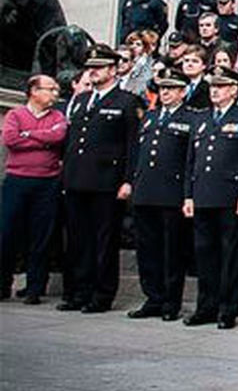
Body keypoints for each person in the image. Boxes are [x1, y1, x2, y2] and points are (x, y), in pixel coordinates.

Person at [59, 45, 144, 313]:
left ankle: (102, 293)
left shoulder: (126, 102)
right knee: (77, 239)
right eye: (90, 68)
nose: (93, 72)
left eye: (98, 67)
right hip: (76, 179)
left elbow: (132, 145)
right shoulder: (83, 100)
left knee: (103, 241)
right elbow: (73, 142)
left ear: (112, 70)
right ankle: (78, 291)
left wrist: (128, 180)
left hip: (107, 182)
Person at [182, 65, 238, 329]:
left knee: (230, 255)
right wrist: (188, 196)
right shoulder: (201, 118)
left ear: (234, 90)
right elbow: (191, 161)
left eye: (221, 86)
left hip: (230, 196)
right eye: (213, 86)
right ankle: (206, 306)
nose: (215, 91)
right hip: (203, 194)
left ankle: (228, 309)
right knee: (204, 254)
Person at [124, 69, 194, 320]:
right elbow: (137, 153)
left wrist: (188, 194)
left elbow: (190, 161)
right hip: (146, 191)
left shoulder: (190, 118)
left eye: (171, 88)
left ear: (182, 92)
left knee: (172, 251)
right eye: (163, 88)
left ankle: (170, 302)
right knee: (147, 249)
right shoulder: (150, 117)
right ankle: (152, 297)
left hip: (171, 193)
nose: (165, 93)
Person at [1, 75, 67, 304]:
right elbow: (11, 140)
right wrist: (43, 140)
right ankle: (2, 284)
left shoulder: (58, 116)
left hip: (47, 182)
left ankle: (34, 288)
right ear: (34, 91)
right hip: (17, 180)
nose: (55, 94)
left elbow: (58, 136)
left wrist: (28, 134)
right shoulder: (15, 115)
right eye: (50, 89)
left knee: (41, 236)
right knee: (7, 234)